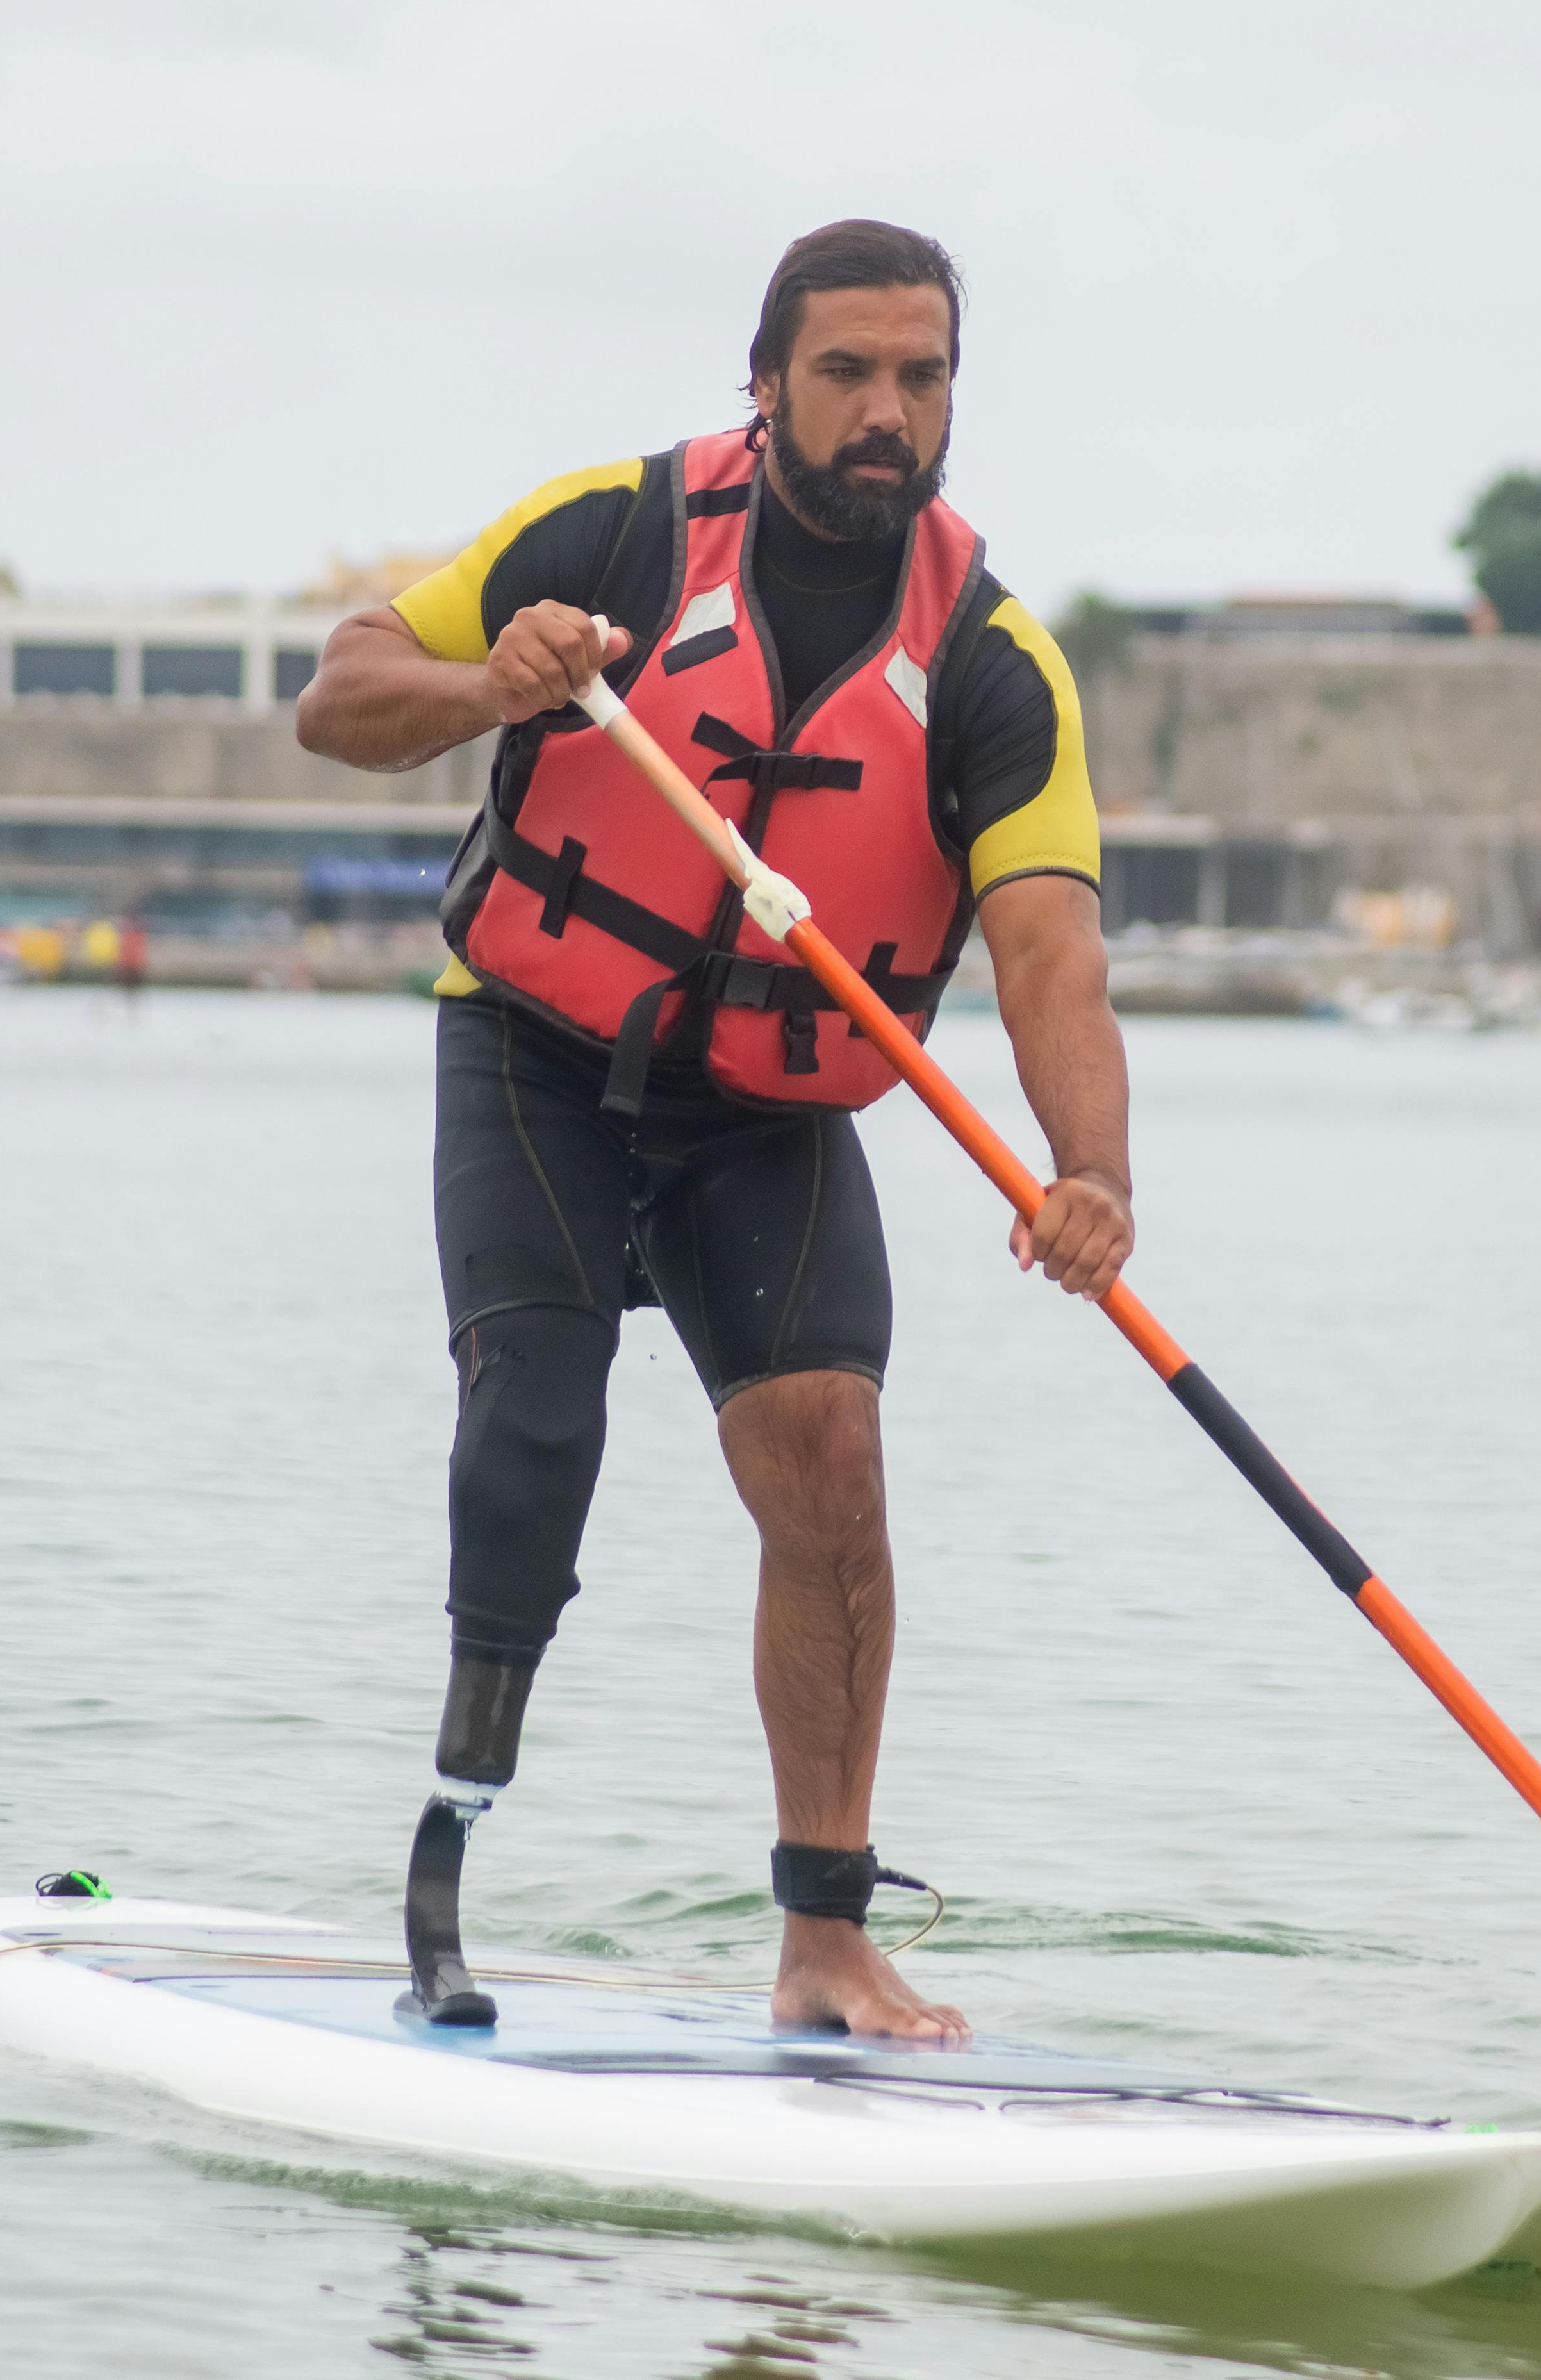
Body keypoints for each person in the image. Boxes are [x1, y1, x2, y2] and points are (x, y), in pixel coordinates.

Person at [298, 220, 1130, 2040]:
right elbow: (338, 696)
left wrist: (1091, 1175)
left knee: (831, 1462)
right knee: (538, 1418)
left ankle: (823, 1933)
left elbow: (1049, 944)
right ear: (763, 384)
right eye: (845, 372)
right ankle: (446, 1866)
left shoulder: (989, 660)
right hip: (533, 1054)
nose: (883, 411)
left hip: (766, 1116)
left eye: (920, 378)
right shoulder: (609, 531)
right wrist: (485, 687)